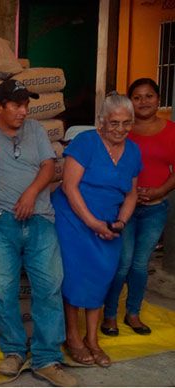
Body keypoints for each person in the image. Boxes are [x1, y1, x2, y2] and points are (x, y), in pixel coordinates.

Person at [0, 79, 76, 387]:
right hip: (0, 220)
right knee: (3, 289)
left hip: (41, 219)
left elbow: (48, 166)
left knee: (49, 287)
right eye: (16, 105)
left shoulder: (35, 131)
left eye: (26, 105)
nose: (23, 111)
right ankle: (14, 351)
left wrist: (31, 194)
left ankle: (46, 358)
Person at [52, 93, 140, 368]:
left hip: (110, 225)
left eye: (126, 123)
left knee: (102, 278)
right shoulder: (85, 143)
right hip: (74, 221)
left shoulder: (133, 151)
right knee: (75, 278)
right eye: (114, 123)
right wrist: (92, 223)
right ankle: (73, 337)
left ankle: (93, 339)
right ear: (101, 122)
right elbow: (69, 186)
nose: (120, 129)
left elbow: (132, 194)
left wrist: (121, 223)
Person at [102, 79, 175, 336]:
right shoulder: (122, 129)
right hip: (124, 209)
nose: (144, 102)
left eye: (150, 96)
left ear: (158, 98)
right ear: (129, 100)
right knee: (122, 263)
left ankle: (133, 313)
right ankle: (109, 315)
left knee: (140, 265)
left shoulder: (171, 131)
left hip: (155, 209)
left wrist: (160, 190)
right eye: (137, 97)